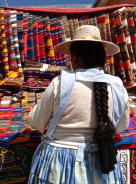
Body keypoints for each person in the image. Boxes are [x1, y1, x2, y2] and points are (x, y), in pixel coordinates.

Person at [27, 25, 129, 184]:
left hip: (59, 162)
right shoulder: (116, 85)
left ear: (73, 57)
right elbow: (121, 125)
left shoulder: (59, 83)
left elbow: (35, 121)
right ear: (102, 58)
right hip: (102, 160)